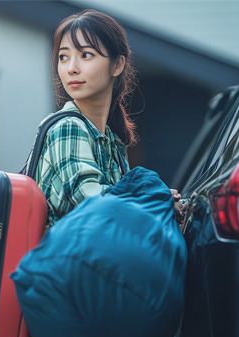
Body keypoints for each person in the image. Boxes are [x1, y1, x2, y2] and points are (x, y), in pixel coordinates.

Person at [30, 9, 185, 227]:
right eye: (63, 57)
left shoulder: (112, 141)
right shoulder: (67, 127)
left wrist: (166, 201)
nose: (71, 68)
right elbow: (94, 201)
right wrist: (158, 201)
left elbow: (118, 207)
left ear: (117, 65)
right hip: (67, 258)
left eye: (85, 55)